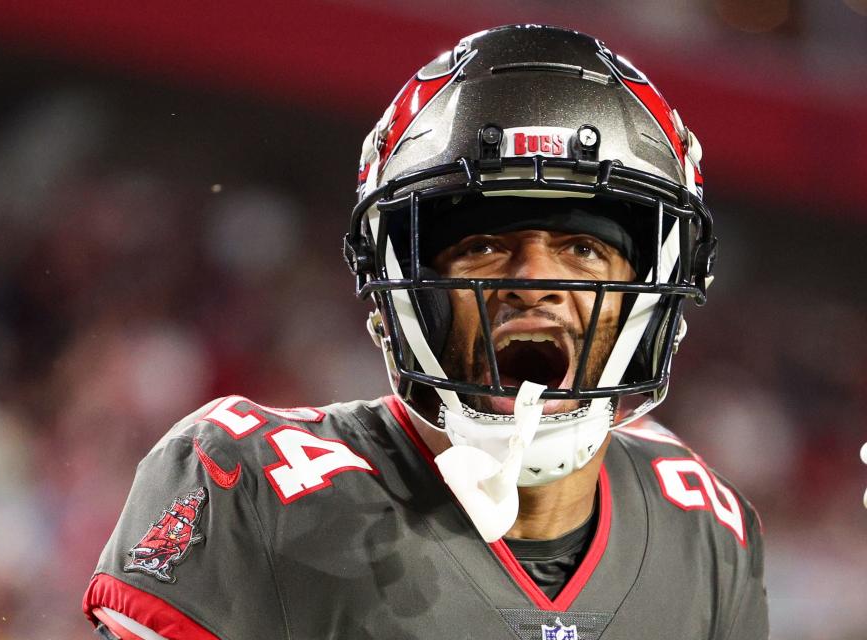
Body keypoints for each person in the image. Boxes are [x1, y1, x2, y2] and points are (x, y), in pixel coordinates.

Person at [83, 25, 768, 639]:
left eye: (583, 249)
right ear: (403, 283)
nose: (533, 282)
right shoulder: (254, 488)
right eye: (484, 247)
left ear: (657, 289)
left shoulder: (705, 531)